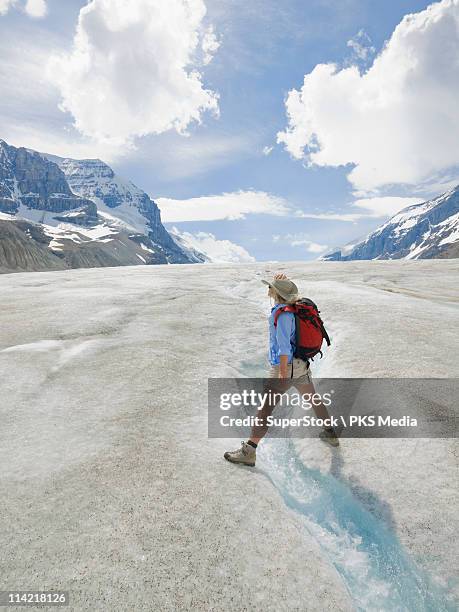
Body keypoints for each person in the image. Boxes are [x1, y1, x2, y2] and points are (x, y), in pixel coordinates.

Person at [224, 273, 339, 467]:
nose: (268, 288)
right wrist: (282, 282)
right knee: (313, 399)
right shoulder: (290, 308)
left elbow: (284, 347)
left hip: (285, 367)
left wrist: (282, 376)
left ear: (276, 292)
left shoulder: (283, 315)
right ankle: (330, 434)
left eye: (271, 286)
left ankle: (249, 452)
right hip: (300, 365)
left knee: (265, 409)